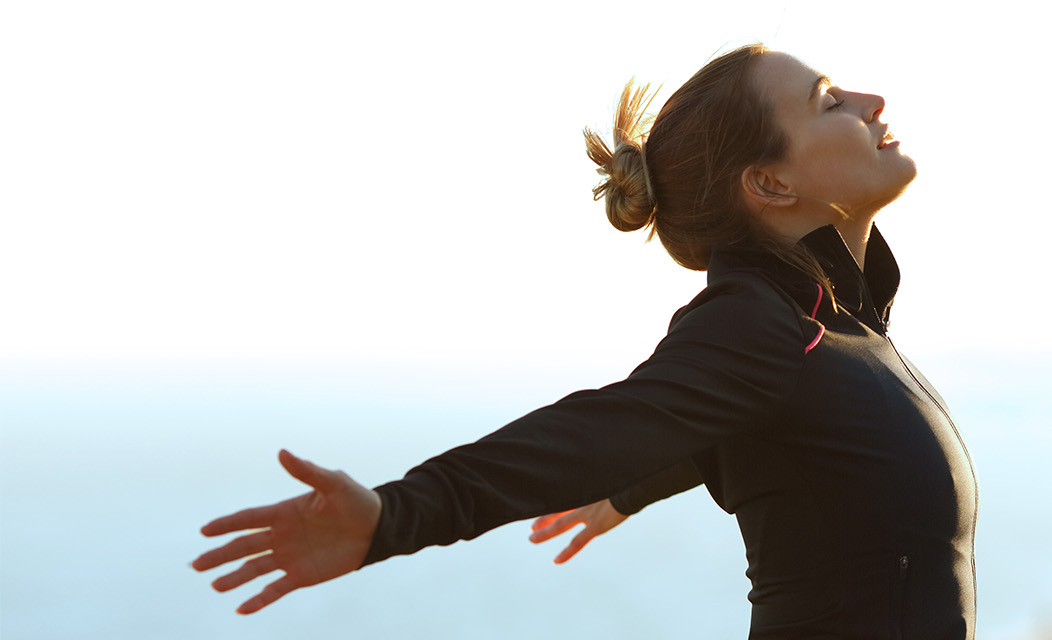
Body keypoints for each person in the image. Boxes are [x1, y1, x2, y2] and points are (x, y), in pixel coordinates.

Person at [192, 43, 979, 639]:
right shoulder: (764, 322)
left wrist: (637, 480)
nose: (872, 101)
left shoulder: (835, 324)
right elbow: (598, 427)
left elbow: (783, 428)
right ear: (771, 184)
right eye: (828, 102)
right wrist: (394, 517)